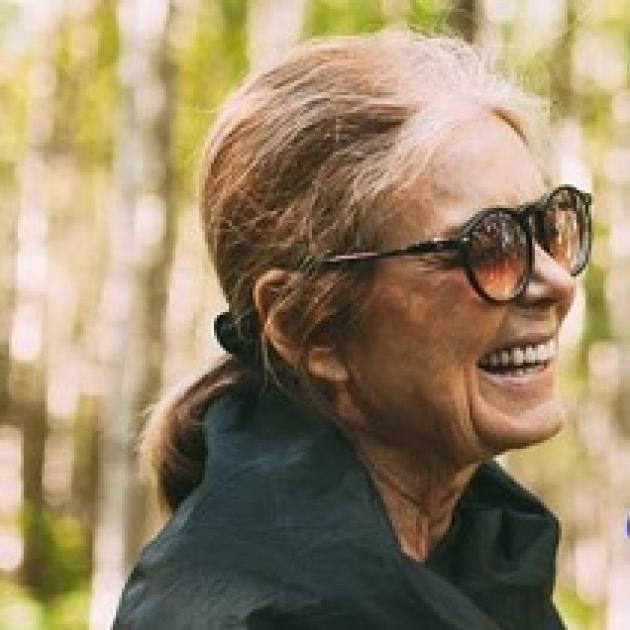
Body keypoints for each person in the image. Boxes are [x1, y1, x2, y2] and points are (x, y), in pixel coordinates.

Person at [113, 29, 592, 629]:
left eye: (549, 227)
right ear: (306, 328)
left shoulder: (489, 551)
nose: (555, 281)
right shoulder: (240, 611)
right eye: (488, 244)